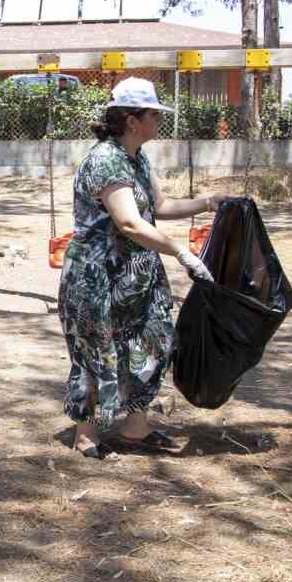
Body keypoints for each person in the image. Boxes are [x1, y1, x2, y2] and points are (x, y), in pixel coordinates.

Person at [57, 77, 222, 460]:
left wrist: (208, 202)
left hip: (136, 273)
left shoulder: (136, 157)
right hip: (99, 276)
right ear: (132, 120)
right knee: (98, 350)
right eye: (153, 115)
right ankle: (87, 435)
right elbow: (129, 223)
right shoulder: (105, 160)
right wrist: (181, 252)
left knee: (153, 340)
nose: (158, 121)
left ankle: (136, 428)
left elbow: (158, 207)